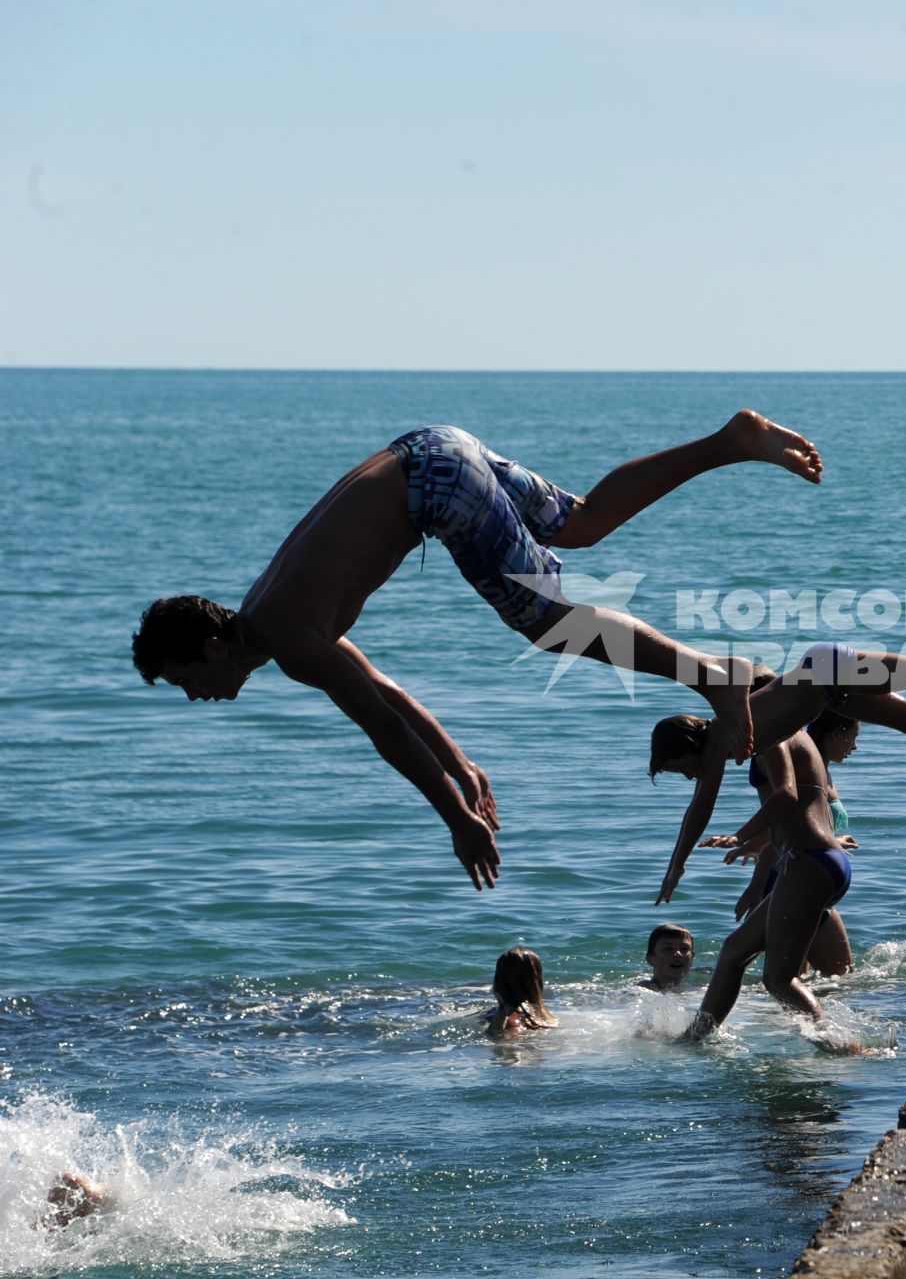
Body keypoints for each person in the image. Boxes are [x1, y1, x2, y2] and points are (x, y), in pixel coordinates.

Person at [130, 411, 821, 890]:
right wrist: (459, 764)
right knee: (581, 523)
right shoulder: (275, 616)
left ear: (213, 646)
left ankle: (711, 677)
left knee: (548, 623)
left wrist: (457, 821)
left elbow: (382, 726)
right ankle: (730, 441)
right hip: (432, 448)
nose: (193, 694)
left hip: (434, 486)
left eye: (184, 677)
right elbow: (390, 694)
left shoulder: (283, 636)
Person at [651, 639, 906, 904]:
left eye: (677, 769)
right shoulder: (722, 741)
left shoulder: (718, 737)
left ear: (686, 747)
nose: (687, 777)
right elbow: (697, 805)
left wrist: (678, 866)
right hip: (830, 688)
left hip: (828, 671)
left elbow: (699, 808)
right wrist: (677, 861)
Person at [675, 716, 851, 1040]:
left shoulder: (774, 734)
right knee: (732, 952)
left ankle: (840, 1045)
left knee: (779, 980)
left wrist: (741, 835)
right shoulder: (792, 736)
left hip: (808, 863)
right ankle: (693, 1038)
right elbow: (798, 813)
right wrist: (756, 844)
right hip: (814, 860)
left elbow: (787, 796)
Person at [708, 708, 860, 978]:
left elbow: (799, 825)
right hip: (789, 876)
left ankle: (799, 1020)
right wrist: (757, 887)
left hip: (810, 875)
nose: (855, 746)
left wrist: (832, 839)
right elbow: (782, 830)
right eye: (853, 738)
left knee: (816, 975)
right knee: (828, 975)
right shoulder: (802, 767)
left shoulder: (817, 768)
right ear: (838, 733)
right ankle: (817, 1020)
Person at [484, 946, 558, 1036]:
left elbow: (508, 1047)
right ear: (536, 980)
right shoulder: (544, 1016)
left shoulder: (508, 1020)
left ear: (499, 979)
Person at [638, 923, 695, 992]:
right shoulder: (642, 990)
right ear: (651, 959)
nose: (678, 954)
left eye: (684, 949)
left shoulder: (693, 988)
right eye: (668, 949)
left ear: (692, 958)